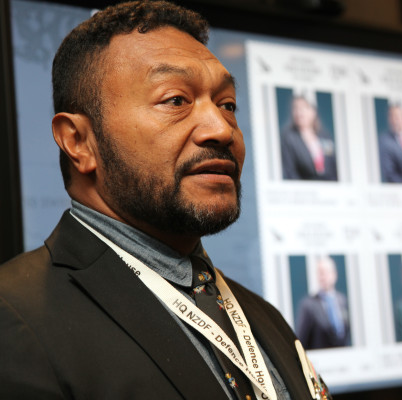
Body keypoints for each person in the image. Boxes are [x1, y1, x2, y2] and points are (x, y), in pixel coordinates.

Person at [0, 2, 329, 399]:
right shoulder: (15, 318)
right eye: (176, 100)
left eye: (227, 105)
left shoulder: (262, 316)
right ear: (79, 141)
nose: (221, 129)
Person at [296, 256, 351, 350]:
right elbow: (302, 340)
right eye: (321, 273)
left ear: (334, 274)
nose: (324, 276)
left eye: (327, 272)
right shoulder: (308, 305)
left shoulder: (342, 301)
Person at [280, 95, 338, 181]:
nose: (299, 112)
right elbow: (290, 172)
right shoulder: (288, 138)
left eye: (304, 107)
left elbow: (333, 166)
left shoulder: (325, 136)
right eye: (296, 108)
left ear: (313, 111)